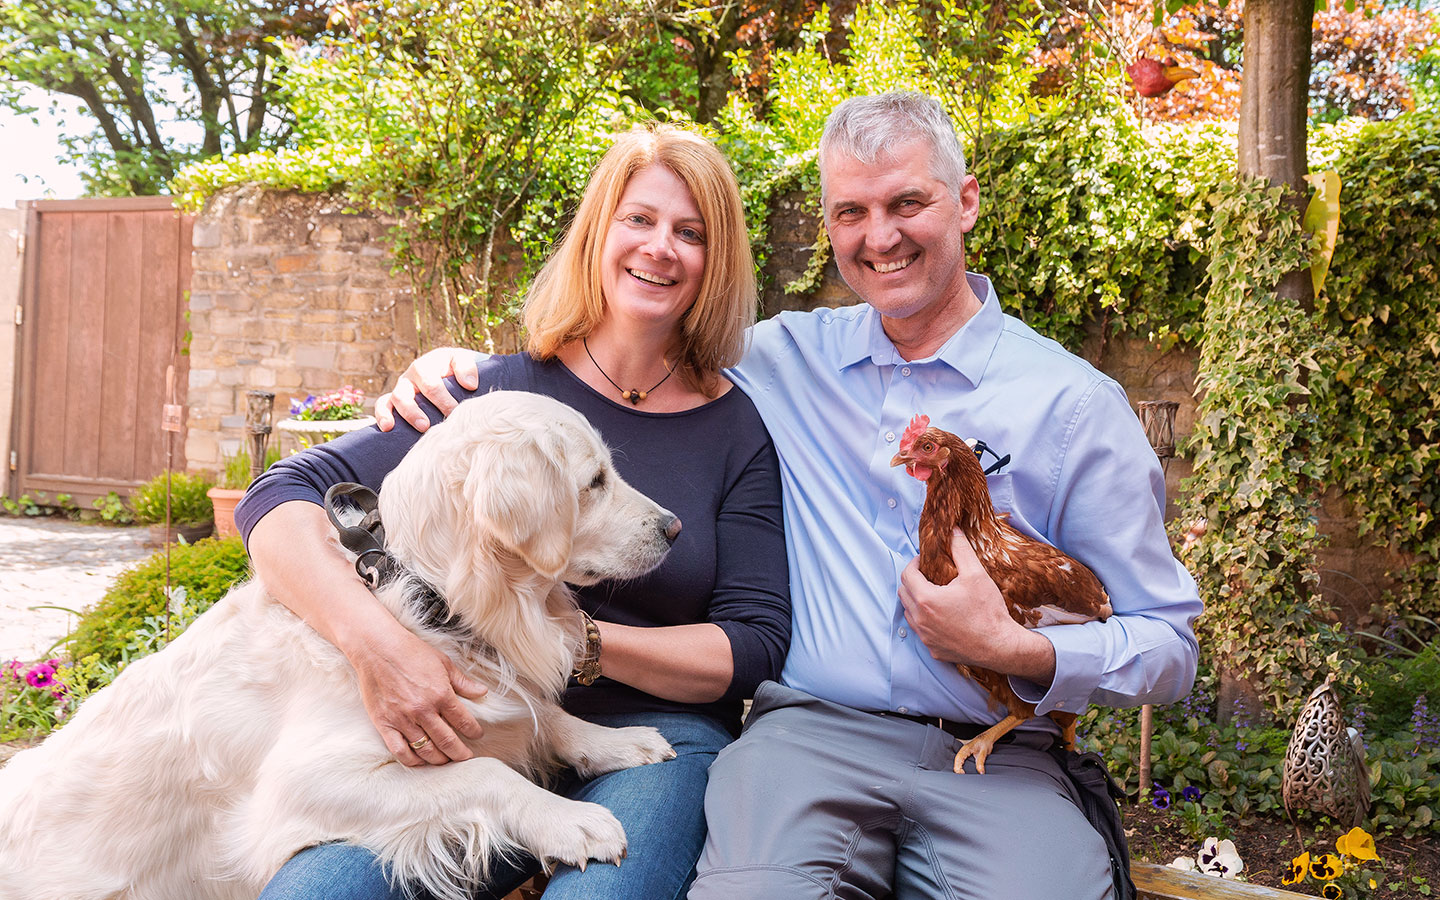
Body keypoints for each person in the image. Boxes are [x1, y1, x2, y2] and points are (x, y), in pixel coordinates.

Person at [380, 92, 1204, 900]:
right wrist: (470, 379)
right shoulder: (778, 360)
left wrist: (1022, 652)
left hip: (999, 756)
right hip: (808, 738)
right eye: (851, 212)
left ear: (966, 201)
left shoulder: (1072, 407)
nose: (880, 236)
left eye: (907, 202)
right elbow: (634, 350)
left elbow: (1168, 644)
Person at [236, 124, 791, 900]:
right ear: (599, 231)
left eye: (689, 232)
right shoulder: (484, 394)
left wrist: (575, 641)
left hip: (657, 736)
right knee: (318, 893)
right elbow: (278, 497)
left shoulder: (738, 431)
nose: (660, 247)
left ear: (715, 258)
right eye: (639, 219)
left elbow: (755, 644)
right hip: (462, 733)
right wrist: (378, 649)